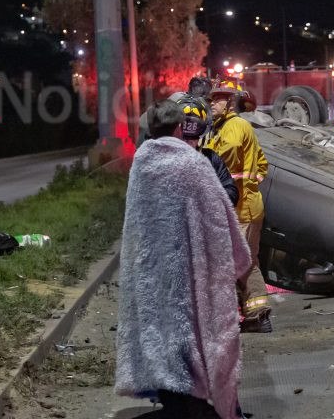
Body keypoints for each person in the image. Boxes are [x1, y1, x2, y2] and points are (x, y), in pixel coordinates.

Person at [114, 100, 252, 419]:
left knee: (159, 330)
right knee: (192, 331)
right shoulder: (193, 164)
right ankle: (194, 401)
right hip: (188, 267)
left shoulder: (141, 164)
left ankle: (172, 398)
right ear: (179, 128)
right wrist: (237, 255)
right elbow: (220, 213)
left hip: (151, 270)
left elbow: (135, 219)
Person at [206, 80, 273, 333]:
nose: (212, 102)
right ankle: (249, 314)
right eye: (211, 99)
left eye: (218, 98)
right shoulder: (227, 127)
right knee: (240, 262)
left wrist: (206, 153)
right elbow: (262, 164)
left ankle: (258, 316)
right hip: (246, 204)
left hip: (241, 207)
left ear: (231, 101)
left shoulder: (234, 126)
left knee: (244, 263)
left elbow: (226, 155)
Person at [177, 95, 238, 206]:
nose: (189, 142)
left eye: (194, 137)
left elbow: (231, 192)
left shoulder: (211, 158)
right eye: (184, 137)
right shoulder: (163, 159)